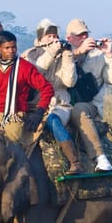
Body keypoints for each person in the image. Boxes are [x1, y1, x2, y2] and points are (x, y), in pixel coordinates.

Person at [22, 19, 84, 174]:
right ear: (40, 38)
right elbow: (34, 74)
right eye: (48, 36)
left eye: (55, 35)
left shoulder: (63, 55)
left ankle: (74, 161)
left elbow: (69, 82)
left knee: (52, 119)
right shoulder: (30, 54)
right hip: (34, 105)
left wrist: (68, 55)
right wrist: (50, 53)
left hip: (59, 105)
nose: (53, 39)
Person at [65, 18, 112, 172]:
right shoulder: (63, 53)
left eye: (86, 35)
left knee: (79, 109)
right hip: (62, 106)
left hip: (89, 107)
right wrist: (77, 53)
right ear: (69, 38)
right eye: (79, 36)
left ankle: (100, 157)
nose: (84, 38)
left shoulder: (99, 55)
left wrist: (109, 54)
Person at [0, 31, 54, 149]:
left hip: (15, 116)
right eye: (7, 48)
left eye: (14, 47)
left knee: (9, 146)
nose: (11, 51)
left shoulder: (25, 67)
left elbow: (47, 89)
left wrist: (39, 113)